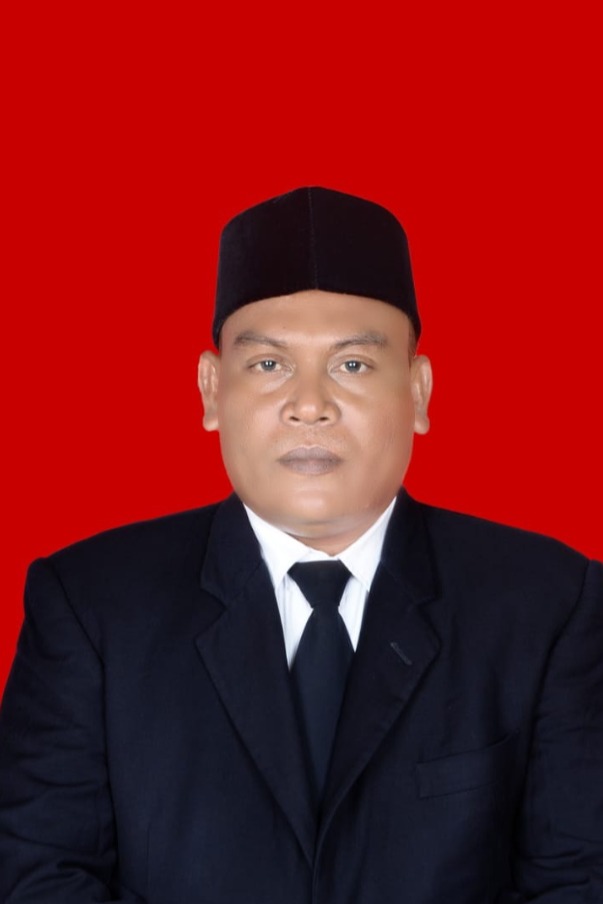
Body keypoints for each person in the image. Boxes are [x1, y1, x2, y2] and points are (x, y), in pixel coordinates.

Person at [0, 186, 601, 904]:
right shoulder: (92, 605)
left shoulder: (548, 605)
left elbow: (578, 877)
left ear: (417, 393)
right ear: (211, 390)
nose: (309, 405)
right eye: (268, 365)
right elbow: (37, 873)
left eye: (352, 365)